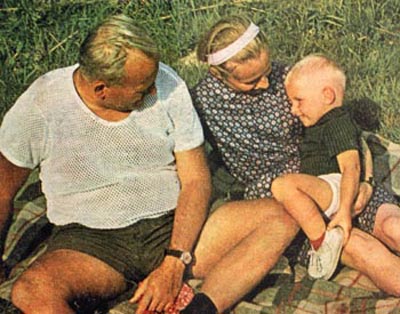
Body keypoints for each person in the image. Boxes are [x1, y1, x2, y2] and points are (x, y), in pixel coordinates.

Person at [0, 14, 323, 314]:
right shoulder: (42, 105)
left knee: (282, 216)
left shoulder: (167, 83)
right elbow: (3, 190)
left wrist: (174, 261)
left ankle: (202, 308)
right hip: (94, 243)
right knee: (30, 290)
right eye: (143, 89)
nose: (156, 90)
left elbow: (196, 179)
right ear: (102, 89)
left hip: (176, 226)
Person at [191, 15, 400, 308]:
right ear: (218, 74)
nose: (266, 83)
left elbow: (341, 128)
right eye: (251, 80)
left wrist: (364, 182)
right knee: (361, 248)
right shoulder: (199, 105)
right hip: (286, 204)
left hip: (333, 175)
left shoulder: (286, 79)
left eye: (267, 70)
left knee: (392, 225)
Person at [271, 54, 400, 280]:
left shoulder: (335, 122)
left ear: (327, 96)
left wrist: (343, 212)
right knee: (388, 233)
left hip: (340, 190)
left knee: (283, 185)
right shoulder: (329, 123)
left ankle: (321, 243)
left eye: (298, 100)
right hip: (341, 194)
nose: (293, 110)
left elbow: (351, 168)